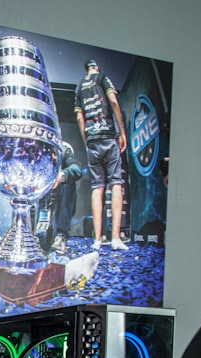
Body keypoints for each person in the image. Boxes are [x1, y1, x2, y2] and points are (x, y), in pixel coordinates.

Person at [75, 58, 128, 251]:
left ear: (86, 70)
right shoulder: (102, 78)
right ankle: (115, 238)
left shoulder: (79, 87)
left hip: (92, 141)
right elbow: (113, 101)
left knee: (97, 188)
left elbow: (79, 117)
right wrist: (121, 132)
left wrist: (86, 141)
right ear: (96, 67)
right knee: (116, 184)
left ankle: (97, 240)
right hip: (108, 136)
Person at [34, 140, 84, 255]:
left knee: (68, 184)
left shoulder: (64, 149)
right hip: (42, 195)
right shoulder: (35, 150)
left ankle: (60, 237)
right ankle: (35, 235)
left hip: (61, 196)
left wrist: (61, 176)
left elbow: (77, 169)